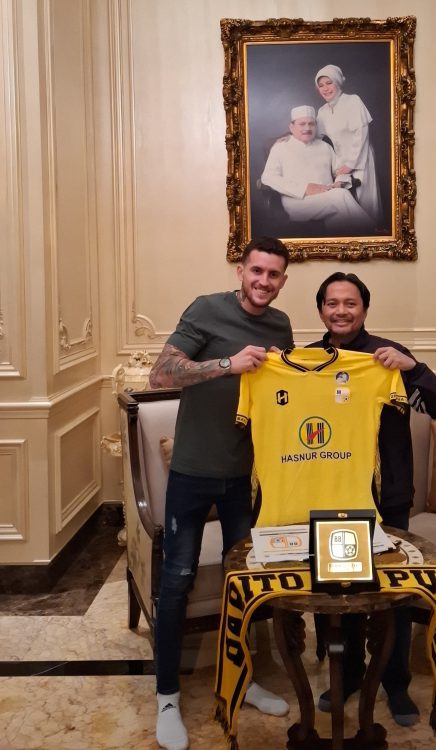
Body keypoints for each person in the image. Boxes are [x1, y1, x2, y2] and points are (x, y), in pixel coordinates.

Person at [148, 237, 294, 750]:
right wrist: (226, 364)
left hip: (245, 478)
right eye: (257, 271)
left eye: (273, 274)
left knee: (243, 583)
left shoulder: (281, 326)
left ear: (282, 280)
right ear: (241, 271)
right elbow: (160, 374)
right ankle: (167, 697)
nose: (263, 281)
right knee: (177, 581)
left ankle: (242, 678)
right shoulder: (205, 309)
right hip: (191, 472)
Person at [308, 271, 436, 727]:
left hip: (387, 495)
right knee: (337, 592)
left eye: (350, 303)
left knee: (393, 592)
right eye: (332, 303)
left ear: (365, 309)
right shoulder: (306, 362)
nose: (341, 311)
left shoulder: (389, 358)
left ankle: (395, 682)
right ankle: (349, 674)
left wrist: (413, 368)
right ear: (321, 311)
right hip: (332, 495)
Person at [260, 105, 373, 234]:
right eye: (302, 124)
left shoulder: (325, 147)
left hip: (328, 195)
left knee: (339, 216)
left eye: (311, 124)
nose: (307, 128)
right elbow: (268, 177)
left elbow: (339, 170)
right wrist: (305, 189)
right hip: (297, 202)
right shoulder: (280, 147)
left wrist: (339, 182)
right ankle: (373, 234)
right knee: (340, 196)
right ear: (291, 127)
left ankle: (339, 243)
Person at [315, 64, 383, 227]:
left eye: (329, 83)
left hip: (360, 157)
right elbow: (314, 136)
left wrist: (351, 164)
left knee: (365, 202)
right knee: (345, 206)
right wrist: (287, 138)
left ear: (337, 82)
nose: (325, 89)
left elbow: (361, 135)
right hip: (339, 162)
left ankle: (373, 236)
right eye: (321, 85)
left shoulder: (353, 101)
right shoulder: (322, 111)